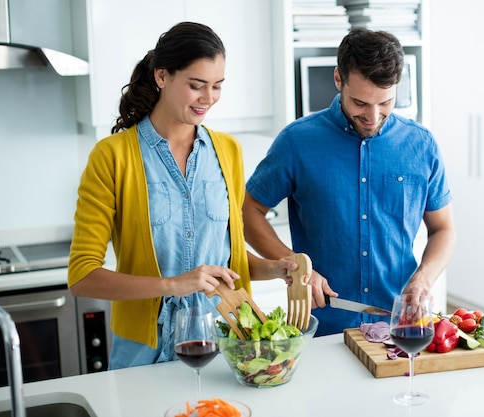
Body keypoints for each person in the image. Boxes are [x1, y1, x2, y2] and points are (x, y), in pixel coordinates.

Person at [68, 22, 301, 369]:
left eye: (217, 86)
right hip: (144, 355)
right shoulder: (112, 156)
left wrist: (274, 268)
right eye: (196, 85)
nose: (208, 98)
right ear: (162, 76)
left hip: (224, 343)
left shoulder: (228, 151)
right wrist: (173, 284)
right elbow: (82, 276)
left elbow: (226, 261)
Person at [243, 28, 456, 336]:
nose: (372, 115)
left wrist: (423, 279)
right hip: (323, 330)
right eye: (360, 103)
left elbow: (444, 229)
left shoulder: (421, 145)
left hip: (399, 328)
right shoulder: (297, 141)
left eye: (385, 103)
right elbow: (248, 212)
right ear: (338, 80)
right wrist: (294, 264)